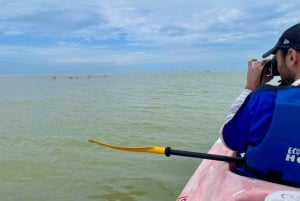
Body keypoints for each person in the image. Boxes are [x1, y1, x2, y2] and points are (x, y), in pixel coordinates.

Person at [221, 23, 300, 187]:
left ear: (292, 56)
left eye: (277, 60)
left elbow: (231, 139)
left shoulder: (266, 98)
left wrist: (251, 88)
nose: (277, 66)